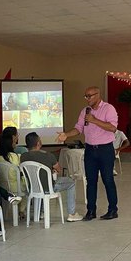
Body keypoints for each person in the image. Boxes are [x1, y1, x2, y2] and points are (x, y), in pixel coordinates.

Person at [56, 86, 119, 221]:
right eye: (86, 96)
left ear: (97, 95)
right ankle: (91, 211)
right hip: (90, 149)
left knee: (108, 179)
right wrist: (66, 135)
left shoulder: (108, 108)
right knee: (91, 181)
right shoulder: (85, 111)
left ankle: (113, 210)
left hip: (105, 149)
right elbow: (78, 128)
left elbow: (113, 128)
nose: (87, 99)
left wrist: (94, 120)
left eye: (89, 96)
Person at [20, 132, 83, 222]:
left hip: (32, 188)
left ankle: (41, 212)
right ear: (38, 143)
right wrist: (51, 171)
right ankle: (71, 214)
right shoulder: (48, 155)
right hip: (49, 188)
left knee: (39, 181)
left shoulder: (23, 157)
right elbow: (58, 169)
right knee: (71, 183)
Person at [0, 133, 27, 218]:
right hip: (15, 186)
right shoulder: (16, 156)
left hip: (0, 186)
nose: (15, 143)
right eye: (14, 142)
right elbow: (20, 172)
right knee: (26, 187)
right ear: (10, 144)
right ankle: (21, 211)